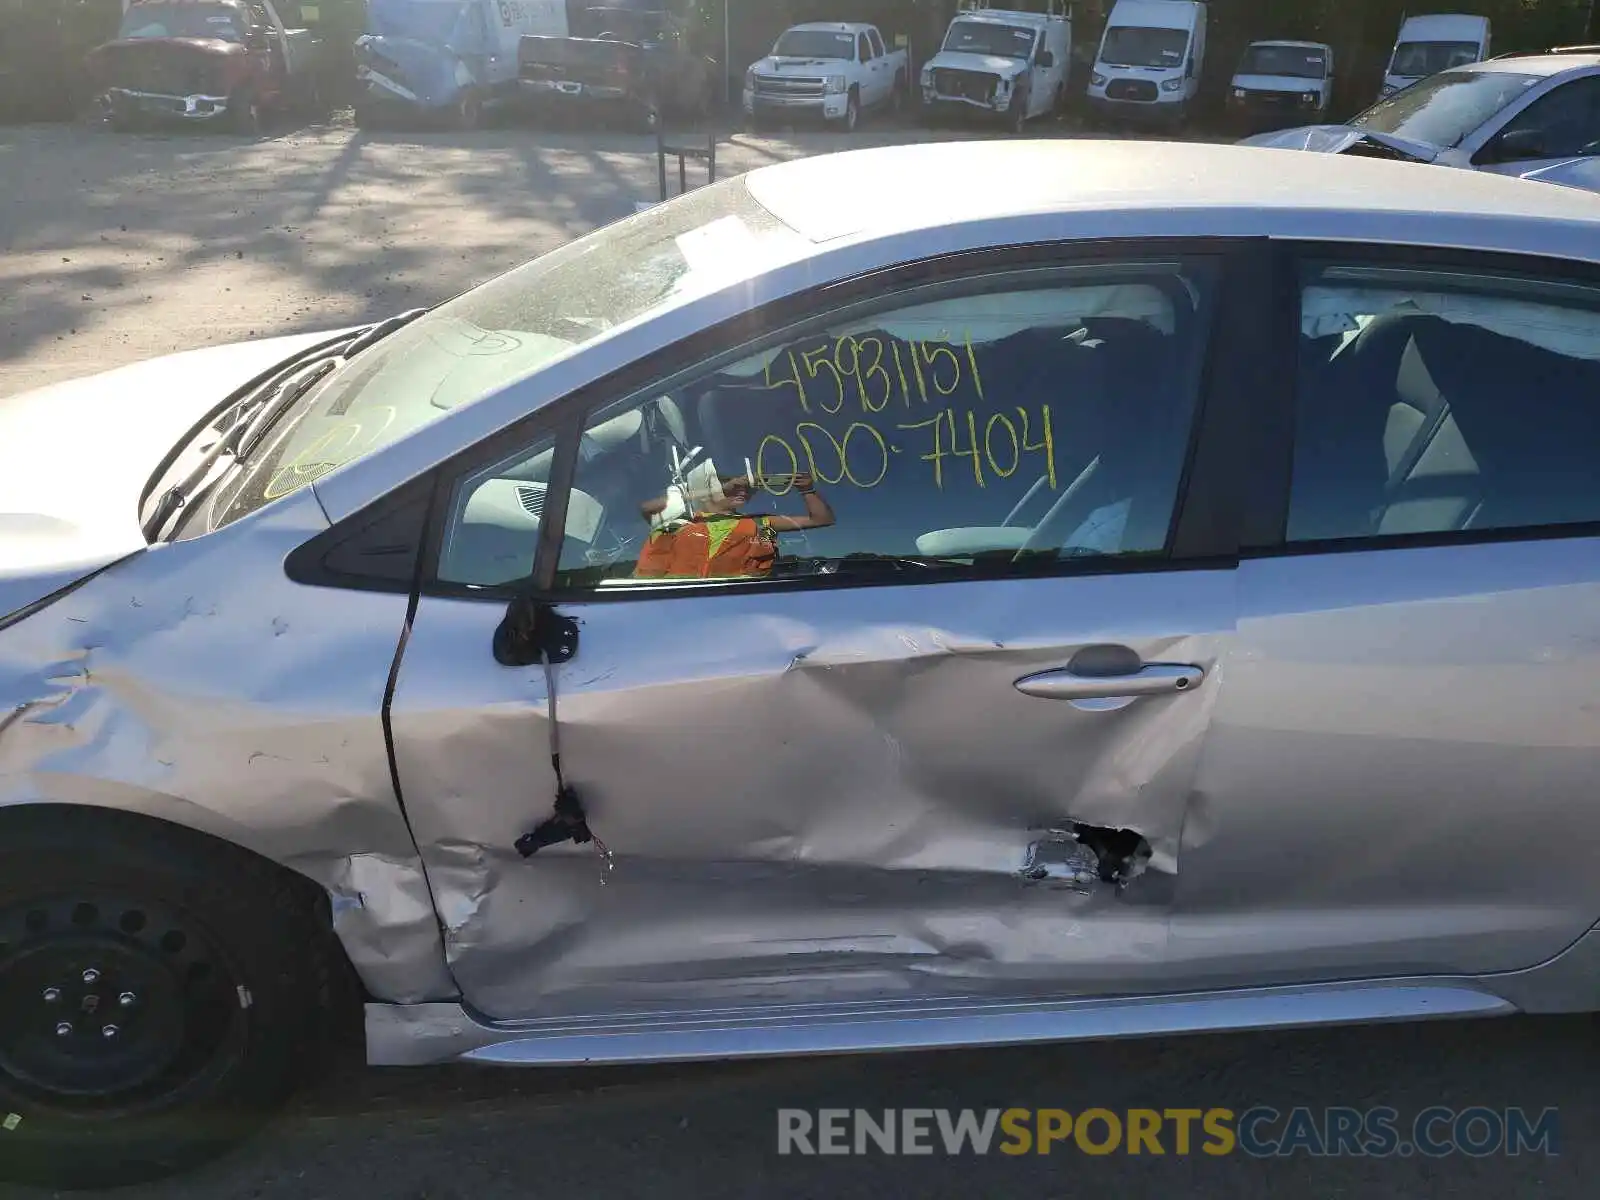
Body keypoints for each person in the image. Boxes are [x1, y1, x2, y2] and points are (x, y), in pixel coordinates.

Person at [634, 471, 834, 580]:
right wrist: (713, 489)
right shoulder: (681, 522)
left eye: (747, 490)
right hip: (675, 606)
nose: (743, 492)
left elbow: (821, 519)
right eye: (734, 488)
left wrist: (807, 490)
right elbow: (647, 507)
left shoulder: (761, 522)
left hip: (736, 605)